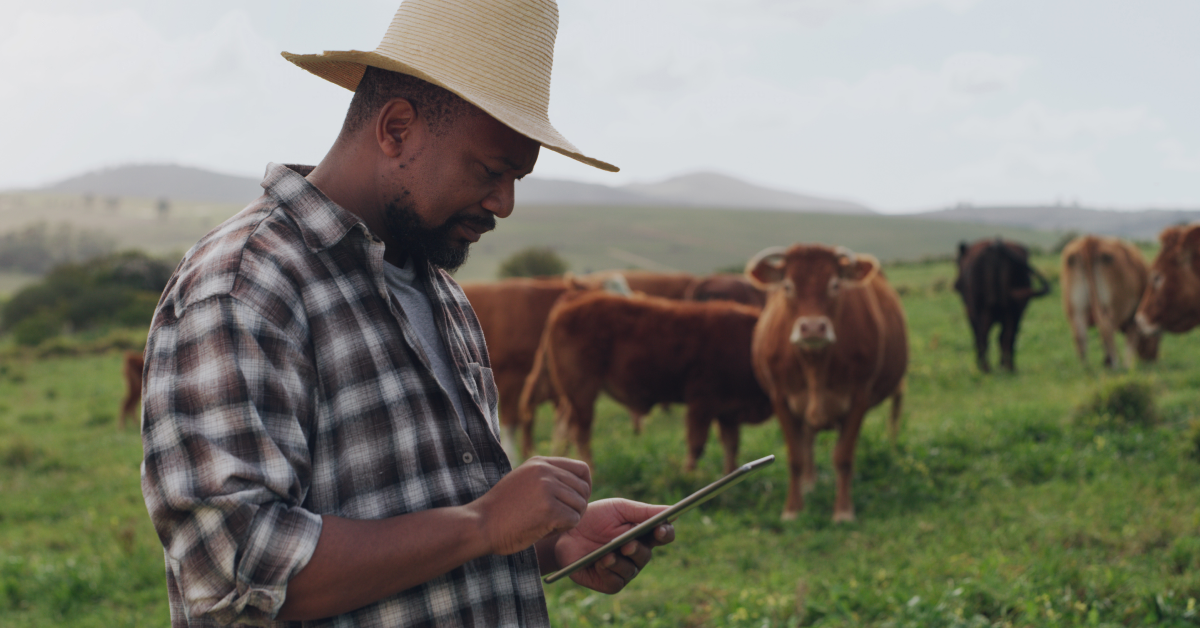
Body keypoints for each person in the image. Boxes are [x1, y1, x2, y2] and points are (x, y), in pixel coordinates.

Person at [139, 1, 674, 626]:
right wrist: (484, 524)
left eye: (518, 179)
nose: (503, 204)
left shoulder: (439, 293)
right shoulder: (244, 287)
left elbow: (437, 520)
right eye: (491, 171)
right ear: (396, 130)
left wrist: (551, 539)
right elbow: (235, 572)